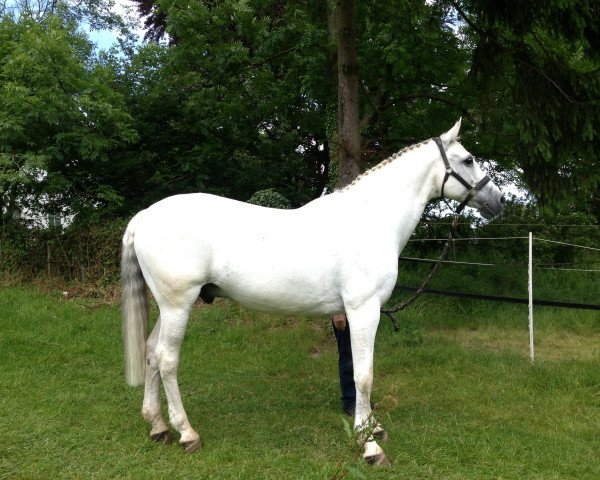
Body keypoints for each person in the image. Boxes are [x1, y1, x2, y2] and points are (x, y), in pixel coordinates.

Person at [332, 313, 356, 416]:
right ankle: (350, 401)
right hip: (346, 310)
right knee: (347, 356)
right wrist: (338, 311)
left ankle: (361, 398)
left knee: (360, 355)